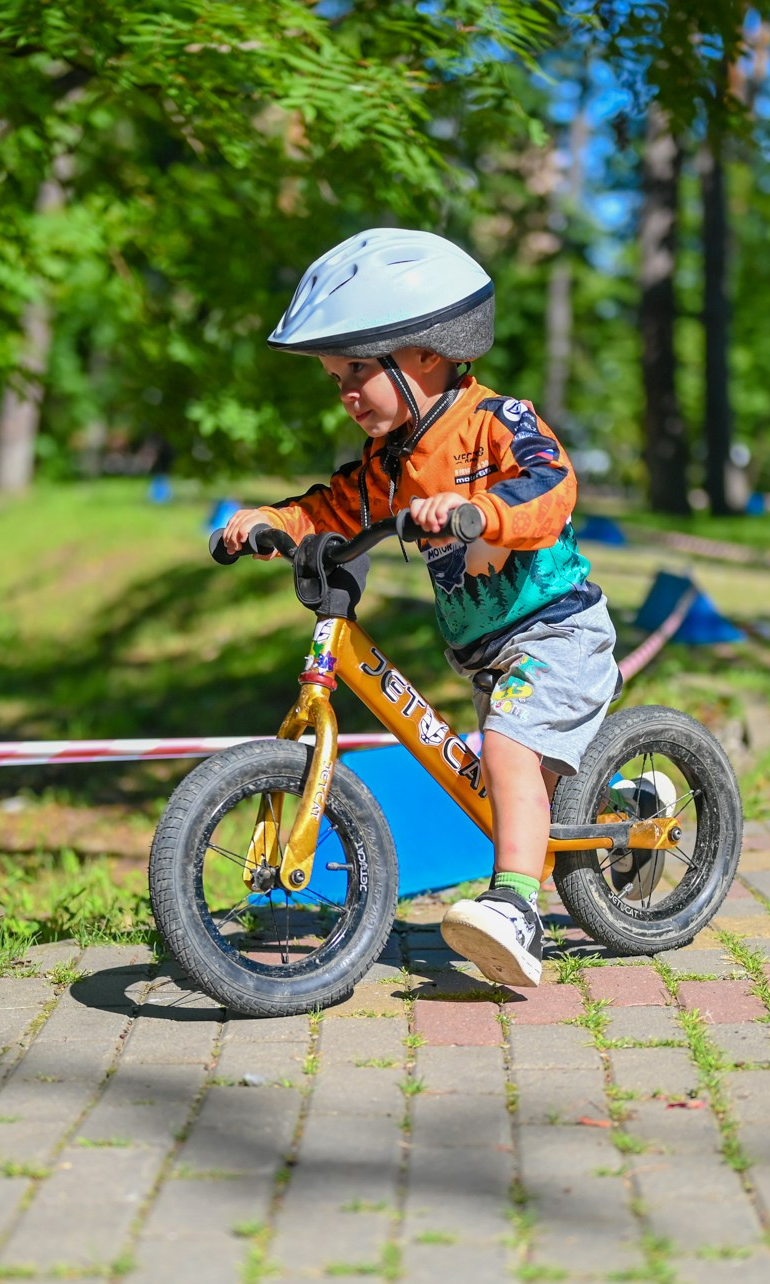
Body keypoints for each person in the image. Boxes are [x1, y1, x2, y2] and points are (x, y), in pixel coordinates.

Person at [219, 228, 618, 989]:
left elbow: (549, 484)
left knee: (503, 752)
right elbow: (334, 508)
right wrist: (271, 521)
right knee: (510, 769)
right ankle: (617, 803)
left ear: (428, 353)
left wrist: (479, 512)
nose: (344, 392)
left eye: (359, 371)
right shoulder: (391, 462)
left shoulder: (495, 421)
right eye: (336, 376)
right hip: (488, 649)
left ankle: (517, 910)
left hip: (556, 629)